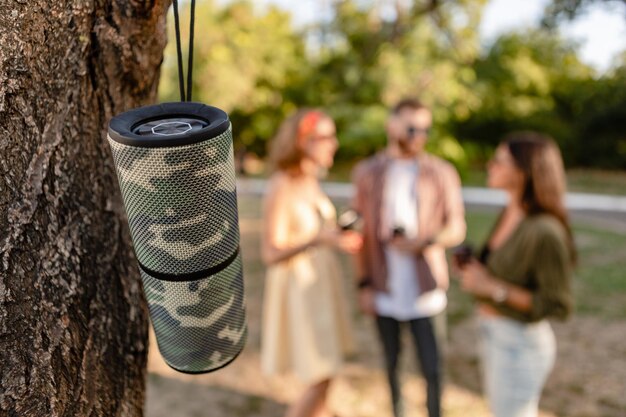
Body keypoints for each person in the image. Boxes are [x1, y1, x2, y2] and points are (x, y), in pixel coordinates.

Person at [351, 98, 466, 417]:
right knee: (392, 366)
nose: (419, 135)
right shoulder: (367, 173)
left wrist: (424, 242)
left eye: (425, 129)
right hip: (384, 286)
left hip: (426, 289)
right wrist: (363, 284)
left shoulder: (441, 172)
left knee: (432, 368)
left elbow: (457, 227)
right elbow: (358, 235)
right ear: (391, 125)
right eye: (412, 127)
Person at [454, 132, 575, 417]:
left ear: (524, 171)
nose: (490, 166)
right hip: (494, 334)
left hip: (520, 344)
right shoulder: (511, 211)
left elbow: (558, 304)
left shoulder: (545, 231)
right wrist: (476, 273)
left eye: (499, 161)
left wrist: (492, 287)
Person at [260, 109, 363, 417]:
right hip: (300, 292)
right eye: (326, 138)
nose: (334, 144)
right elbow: (270, 252)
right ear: (303, 142)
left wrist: (336, 238)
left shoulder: (310, 181)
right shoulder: (282, 184)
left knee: (328, 371)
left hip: (320, 285)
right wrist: (319, 239)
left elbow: (317, 233)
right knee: (321, 375)